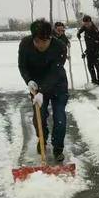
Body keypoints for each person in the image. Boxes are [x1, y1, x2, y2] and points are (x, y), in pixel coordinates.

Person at [18, 19, 68, 162]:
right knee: (38, 117)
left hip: (58, 85)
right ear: (33, 38)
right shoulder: (25, 44)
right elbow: (22, 66)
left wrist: (43, 91)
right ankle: (42, 139)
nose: (41, 45)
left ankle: (58, 148)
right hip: (36, 85)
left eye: (45, 41)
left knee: (60, 119)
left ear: (50, 38)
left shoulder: (60, 47)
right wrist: (29, 81)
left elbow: (55, 72)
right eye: (38, 41)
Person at [77, 15, 99, 85]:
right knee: (90, 65)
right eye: (84, 24)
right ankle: (94, 80)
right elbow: (82, 29)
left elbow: (93, 44)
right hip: (89, 48)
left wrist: (85, 52)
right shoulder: (85, 27)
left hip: (96, 49)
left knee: (96, 64)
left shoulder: (95, 30)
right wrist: (78, 33)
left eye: (87, 23)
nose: (86, 25)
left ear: (90, 22)